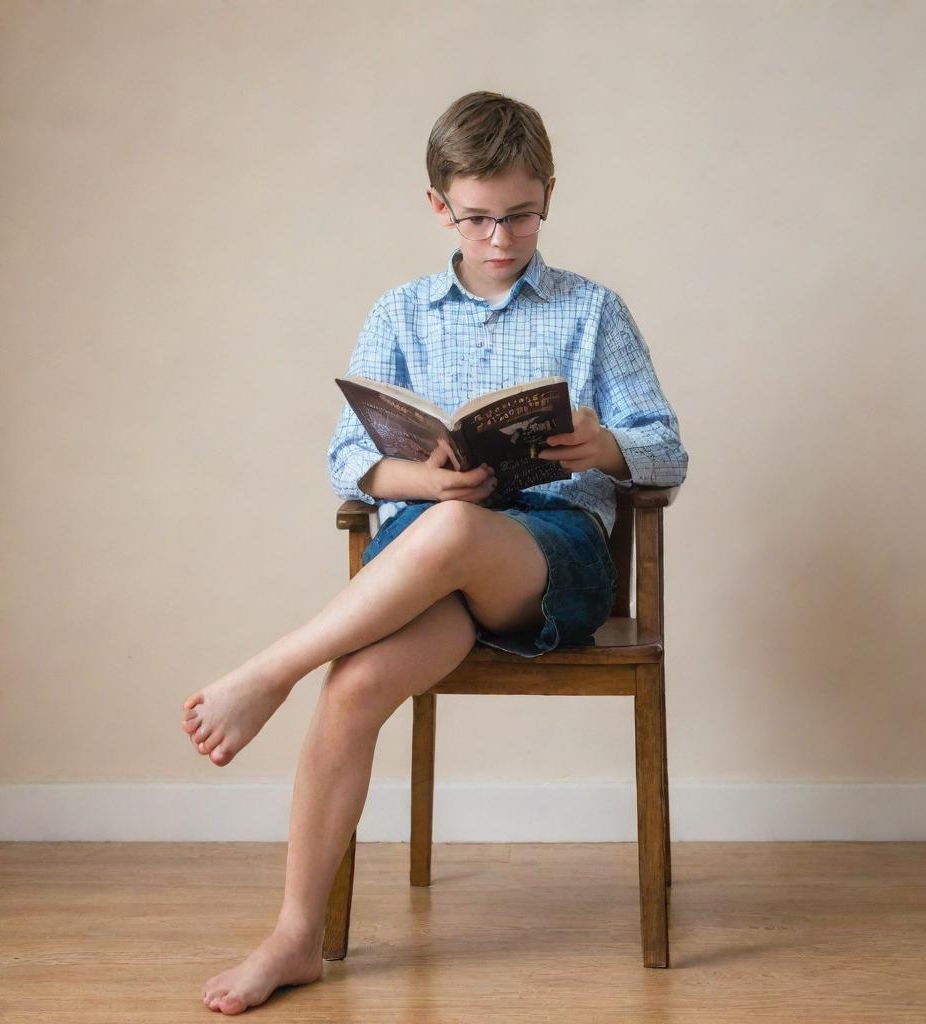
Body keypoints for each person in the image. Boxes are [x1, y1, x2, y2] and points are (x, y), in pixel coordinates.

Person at [181, 90, 689, 1015]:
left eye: (522, 215)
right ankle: (295, 935)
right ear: (438, 207)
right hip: (431, 555)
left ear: (548, 197)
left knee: (455, 536)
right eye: (479, 218)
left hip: (551, 563)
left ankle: (269, 670)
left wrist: (604, 446)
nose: (502, 237)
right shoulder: (403, 313)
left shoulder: (592, 310)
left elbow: (667, 447)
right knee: (358, 684)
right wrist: (426, 479)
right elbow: (347, 456)